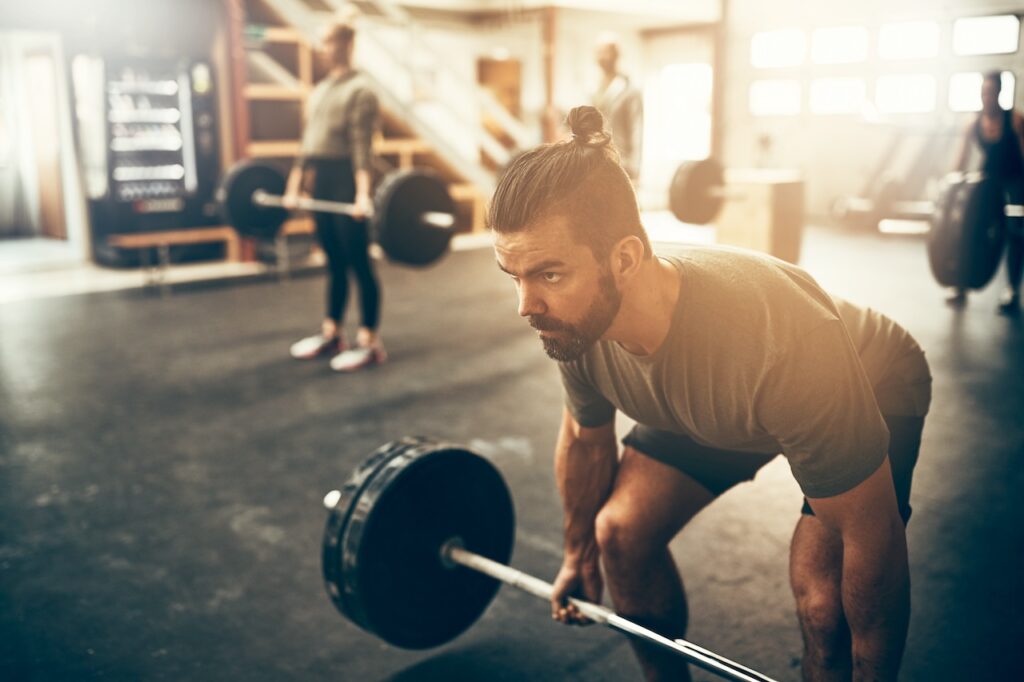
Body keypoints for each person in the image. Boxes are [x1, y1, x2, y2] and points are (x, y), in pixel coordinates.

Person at [489, 106, 931, 681]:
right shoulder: (578, 324)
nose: (526, 306)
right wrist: (577, 552)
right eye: (514, 277)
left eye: (548, 275)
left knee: (826, 607)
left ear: (624, 259)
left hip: (870, 381)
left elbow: (869, 536)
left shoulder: (779, 337)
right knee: (618, 532)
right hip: (727, 403)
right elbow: (585, 441)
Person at [284, 14, 387, 371]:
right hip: (322, 180)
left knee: (359, 263)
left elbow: (363, 149)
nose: (326, 49)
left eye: (333, 42)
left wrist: (362, 195)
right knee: (333, 262)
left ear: (347, 45)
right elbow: (307, 143)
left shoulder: (361, 90)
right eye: (324, 42)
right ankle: (333, 334)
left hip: (347, 178)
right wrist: (293, 186)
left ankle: (370, 342)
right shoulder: (320, 90)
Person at [948, 70, 1024, 315]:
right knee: (967, 229)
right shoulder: (973, 123)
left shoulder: (1015, 120)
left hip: (1014, 181)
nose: (987, 98)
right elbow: (961, 160)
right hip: (988, 183)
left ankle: (1011, 289)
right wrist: (951, 184)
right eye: (983, 93)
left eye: (991, 93)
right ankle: (961, 286)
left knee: (1015, 232)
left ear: (1000, 93)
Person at [592, 33, 643, 183]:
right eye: (598, 53)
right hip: (596, 161)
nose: (602, 58)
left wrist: (635, 167)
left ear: (616, 55)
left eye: (606, 52)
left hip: (622, 163)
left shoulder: (630, 91)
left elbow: (637, 129)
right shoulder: (595, 89)